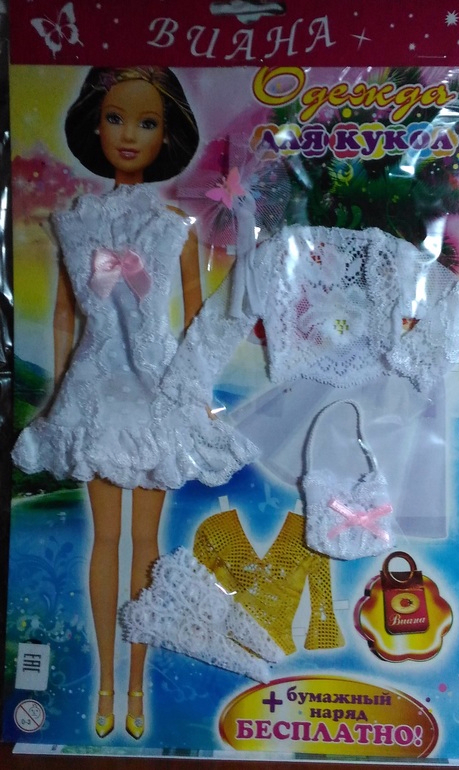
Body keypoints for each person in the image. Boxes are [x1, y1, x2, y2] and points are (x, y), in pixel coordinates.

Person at [13, 66, 201, 740]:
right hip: (96, 389)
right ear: (95, 125)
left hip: (155, 391)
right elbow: (65, 315)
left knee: (146, 543)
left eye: (147, 122)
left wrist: (195, 394)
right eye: (116, 118)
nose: (129, 134)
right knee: (107, 540)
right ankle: (103, 684)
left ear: (166, 135)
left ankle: (137, 686)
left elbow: (197, 319)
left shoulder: (175, 225)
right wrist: (59, 395)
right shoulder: (74, 222)